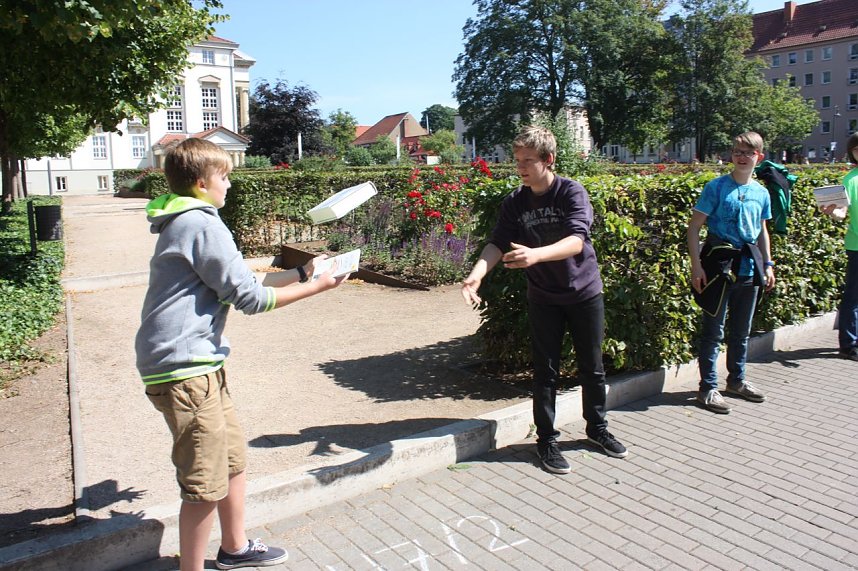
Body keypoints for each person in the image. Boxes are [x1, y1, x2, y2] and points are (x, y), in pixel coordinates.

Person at [135, 138, 348, 571]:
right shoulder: (202, 224)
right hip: (185, 370)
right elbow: (250, 301)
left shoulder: (188, 219)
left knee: (232, 459)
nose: (230, 186)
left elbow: (239, 284)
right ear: (201, 183)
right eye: (225, 177)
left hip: (201, 364)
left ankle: (234, 548)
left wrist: (304, 271)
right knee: (205, 484)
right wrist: (317, 287)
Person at [461, 125, 627, 475]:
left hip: (584, 293)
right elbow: (497, 243)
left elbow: (577, 241)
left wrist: (536, 254)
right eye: (517, 160)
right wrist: (477, 274)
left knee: (592, 368)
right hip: (544, 298)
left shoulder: (571, 192)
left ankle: (597, 429)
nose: (519, 167)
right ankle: (547, 441)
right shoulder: (515, 202)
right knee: (545, 372)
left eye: (527, 161)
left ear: (548, 160)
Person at [687, 131, 776, 415]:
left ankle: (736, 381)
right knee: (713, 331)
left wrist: (768, 264)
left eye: (747, 153)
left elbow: (762, 230)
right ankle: (708, 389)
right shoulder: (716, 188)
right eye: (737, 151)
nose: (740, 157)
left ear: (758, 157)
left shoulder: (761, 192)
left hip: (749, 267)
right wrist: (696, 265)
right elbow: (694, 227)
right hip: (718, 268)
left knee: (741, 331)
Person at [821, 133, 858, 361]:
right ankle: (849, 344)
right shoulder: (850, 180)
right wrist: (832, 212)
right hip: (857, 246)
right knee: (853, 297)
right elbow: (841, 212)